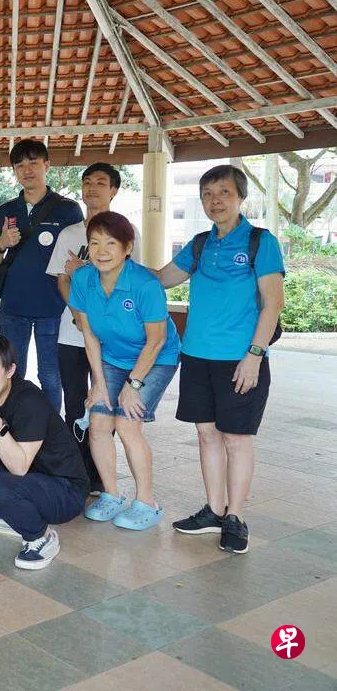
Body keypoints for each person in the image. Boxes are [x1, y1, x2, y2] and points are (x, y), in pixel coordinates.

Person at [156, 165, 285, 554]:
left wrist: (255, 355)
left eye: (224, 192)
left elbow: (273, 303)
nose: (216, 201)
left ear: (240, 197)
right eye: (208, 194)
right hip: (196, 355)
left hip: (240, 359)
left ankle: (235, 516)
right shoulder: (200, 244)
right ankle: (213, 510)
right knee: (206, 433)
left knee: (236, 437)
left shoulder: (260, 242)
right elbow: (161, 279)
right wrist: (110, 260)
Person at [68, 212, 180, 531]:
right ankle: (112, 494)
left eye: (111, 243)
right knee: (99, 421)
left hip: (156, 358)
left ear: (128, 247)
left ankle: (147, 502)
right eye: (95, 243)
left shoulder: (145, 284)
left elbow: (156, 340)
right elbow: (89, 334)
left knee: (127, 424)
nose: (101, 251)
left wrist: (133, 384)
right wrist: (98, 384)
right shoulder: (83, 279)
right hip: (113, 357)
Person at [0, 333, 89, 570]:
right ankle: (10, 514)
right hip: (24, 479)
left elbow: (19, 468)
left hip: (64, 490)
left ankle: (40, 536)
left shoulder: (29, 400)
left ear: (10, 370)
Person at [46, 163, 139, 492]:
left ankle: (99, 472)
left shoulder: (127, 231)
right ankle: (78, 471)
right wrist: (79, 314)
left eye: (101, 182)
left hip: (112, 337)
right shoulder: (69, 234)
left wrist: (83, 272)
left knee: (106, 403)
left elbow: (130, 280)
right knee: (75, 402)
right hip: (71, 334)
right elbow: (62, 280)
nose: (92, 188)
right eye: (87, 182)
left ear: (114, 190)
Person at [0, 139, 83, 409]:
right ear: (14, 171)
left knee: (50, 377)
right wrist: (1, 244)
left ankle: (51, 428)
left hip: (53, 307)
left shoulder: (68, 209)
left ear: (47, 165)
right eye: (20, 165)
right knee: (12, 374)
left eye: (33, 163)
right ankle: (13, 423)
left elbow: (78, 258)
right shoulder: (6, 211)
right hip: (13, 306)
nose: (26, 170)